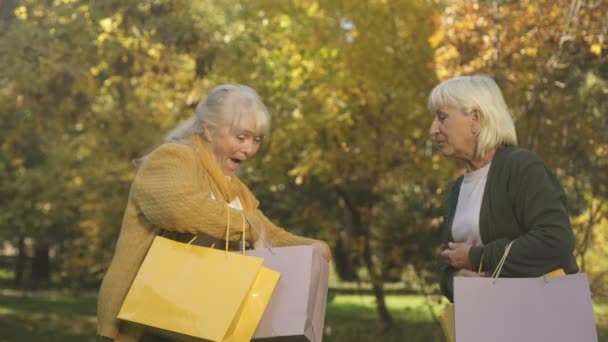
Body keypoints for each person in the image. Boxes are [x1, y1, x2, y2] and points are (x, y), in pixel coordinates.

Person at [96, 84, 332, 341]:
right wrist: (245, 225)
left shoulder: (235, 190)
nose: (250, 149)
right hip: (144, 323)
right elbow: (177, 208)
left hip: (192, 322)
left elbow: (268, 233)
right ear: (209, 130)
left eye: (257, 140)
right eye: (241, 138)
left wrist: (312, 248)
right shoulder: (172, 159)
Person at [428, 75, 578, 302]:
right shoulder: (457, 189)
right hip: (484, 321)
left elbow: (555, 241)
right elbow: (447, 262)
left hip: (539, 320)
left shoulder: (523, 167)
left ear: (475, 119)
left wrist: (477, 257)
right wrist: (456, 279)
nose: (433, 130)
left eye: (442, 118)